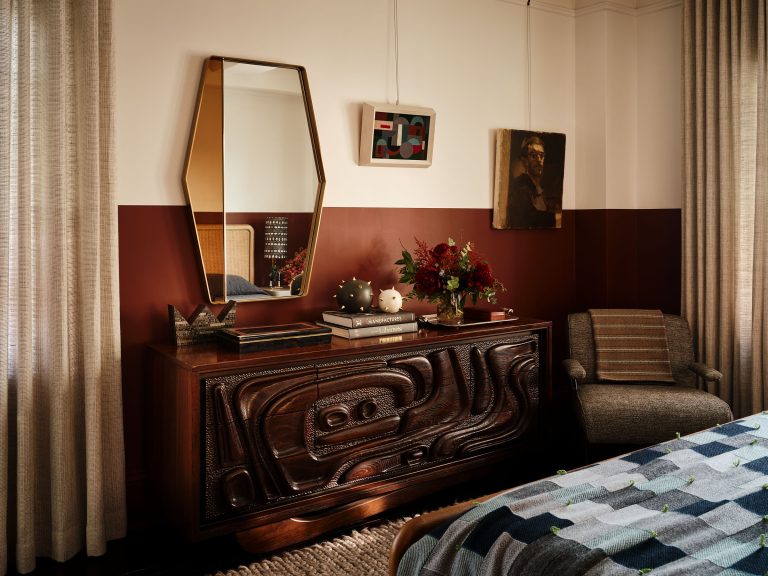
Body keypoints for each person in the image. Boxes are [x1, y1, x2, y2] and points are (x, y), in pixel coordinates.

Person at [507, 135, 556, 228]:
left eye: (541, 155)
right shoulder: (520, 187)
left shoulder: (538, 188)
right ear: (524, 160)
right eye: (533, 155)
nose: (539, 160)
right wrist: (556, 218)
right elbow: (528, 219)